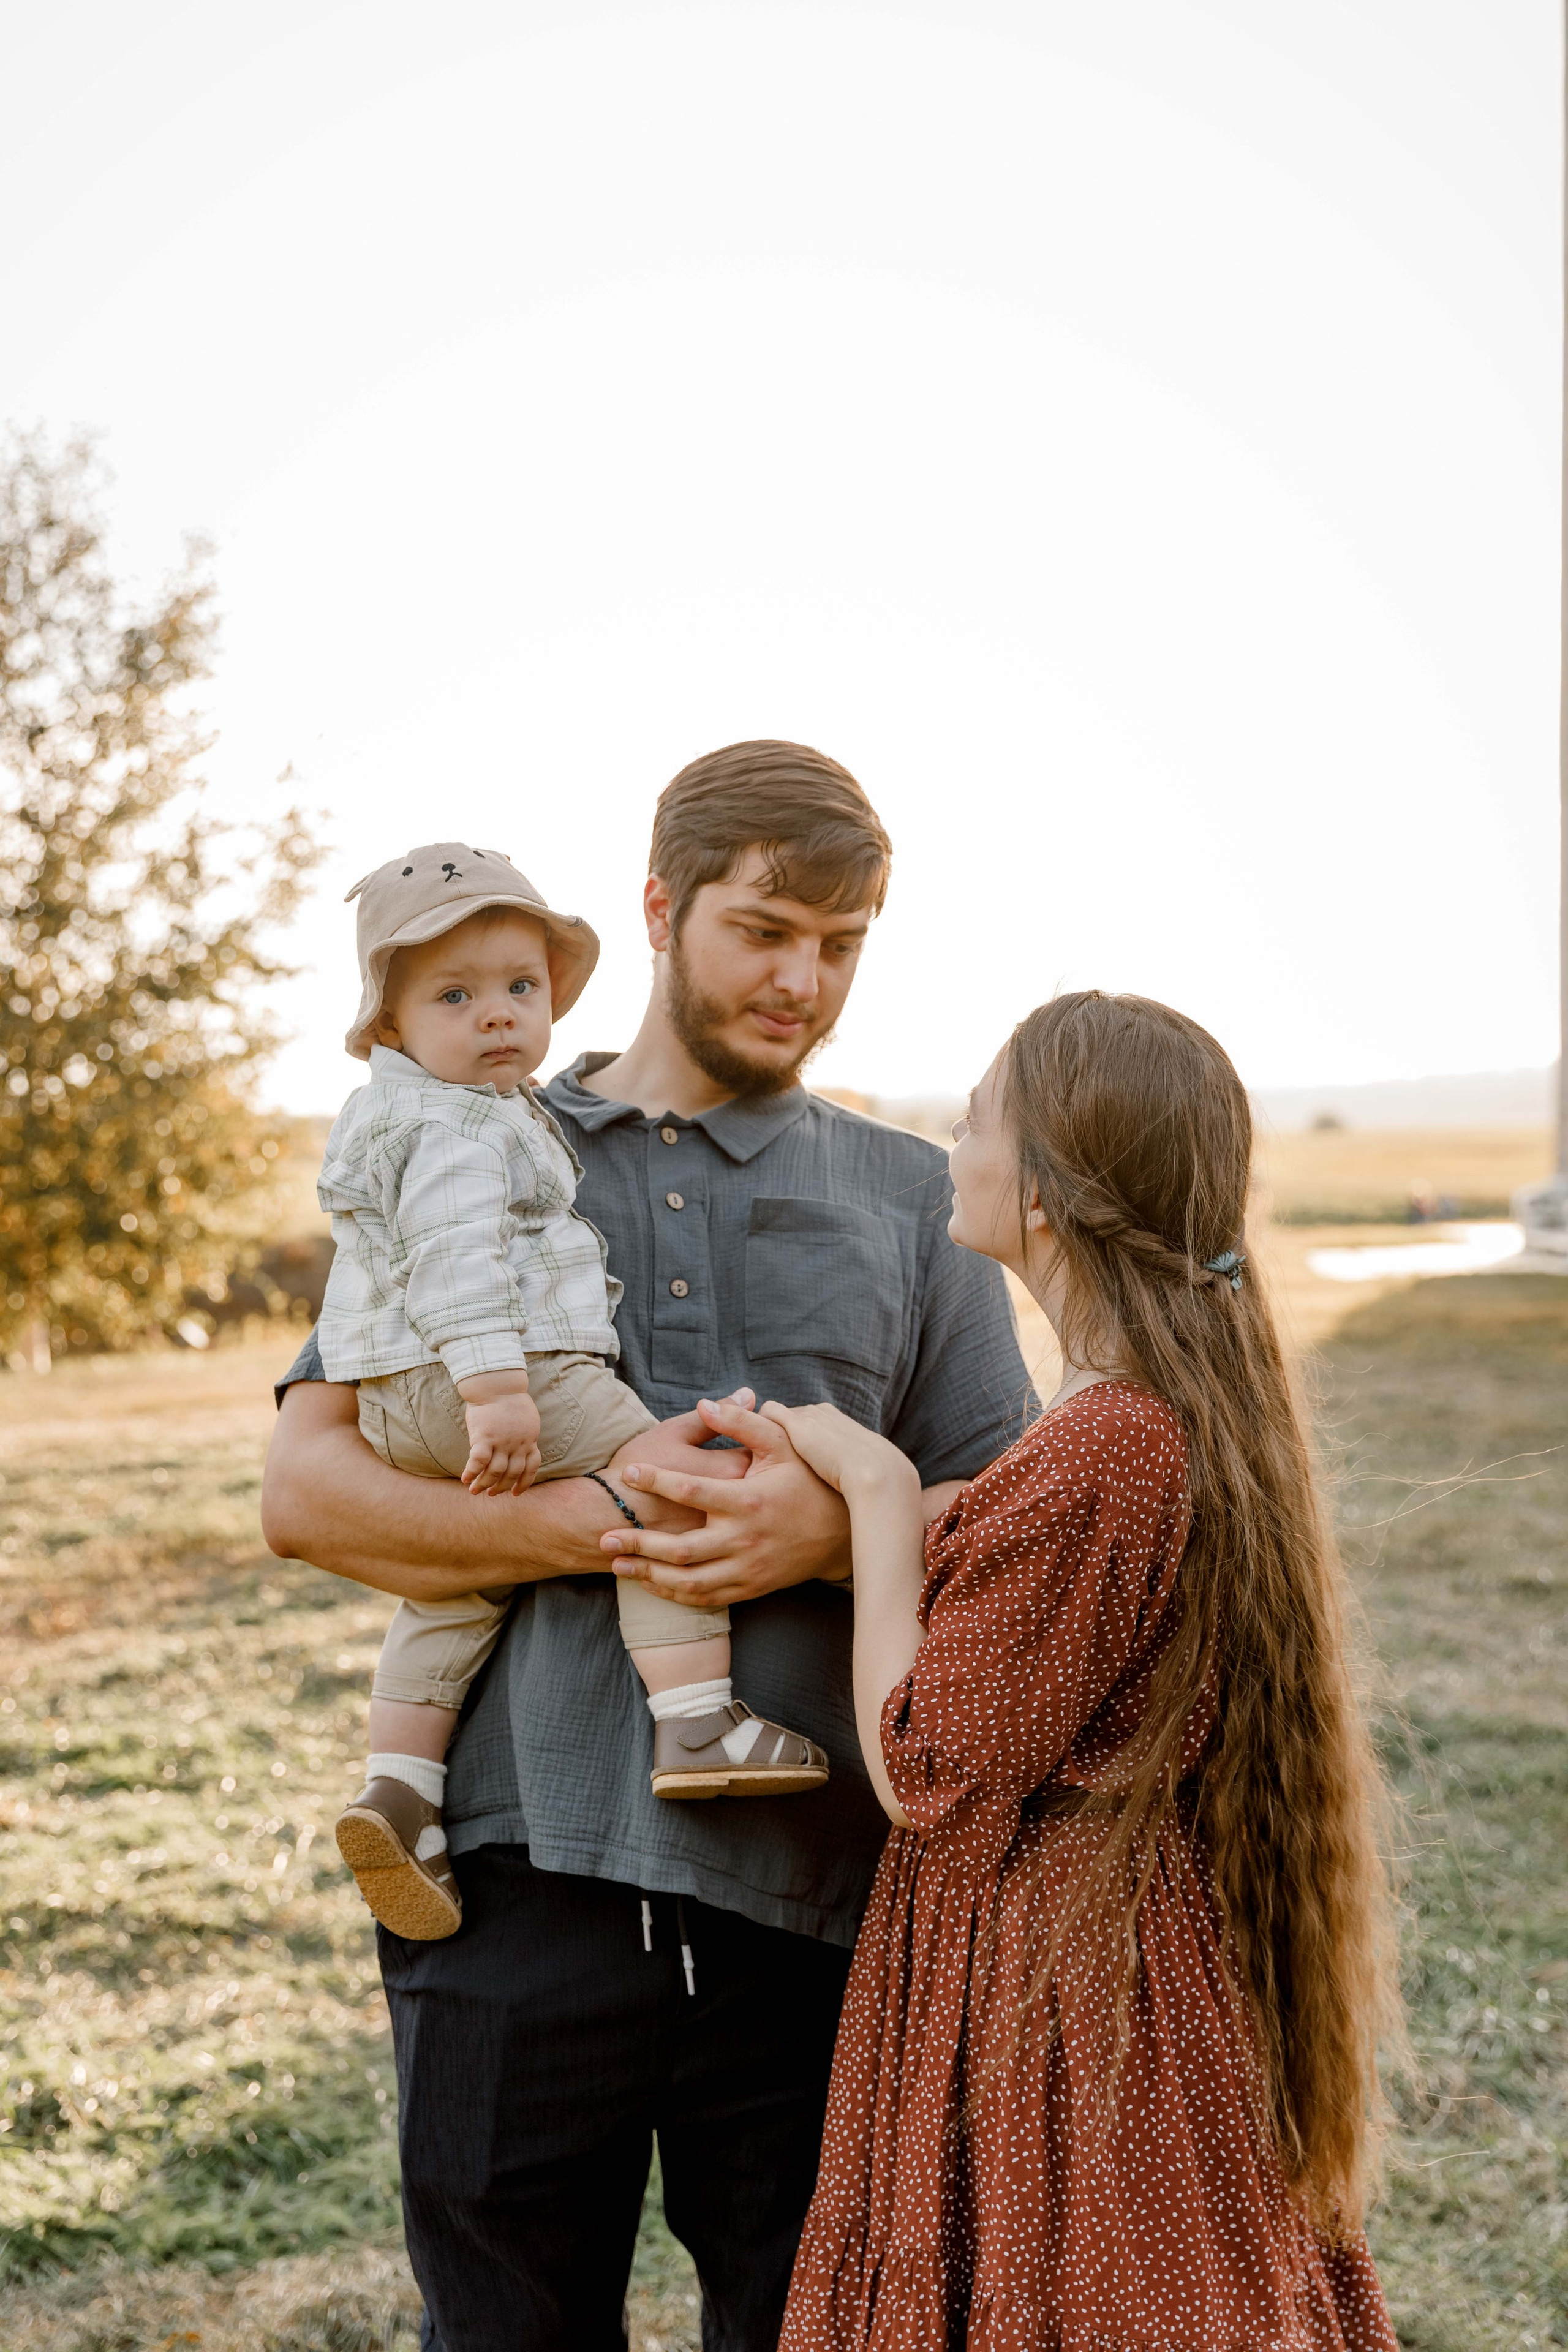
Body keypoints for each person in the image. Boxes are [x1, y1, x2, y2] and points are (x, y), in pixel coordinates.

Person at [259, 740, 1036, 2352]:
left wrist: (828, 1529)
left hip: (825, 1904)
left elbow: (1020, 1522)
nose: (803, 980)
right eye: (764, 929)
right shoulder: (462, 1134)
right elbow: (308, 1491)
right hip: (510, 1883)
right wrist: (601, 1519)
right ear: (661, 910)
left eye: (843, 944)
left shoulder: (913, 1195)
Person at [692, 989, 1397, 2351]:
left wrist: (882, 1488)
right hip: (1084, 1947)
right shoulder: (1122, 1414)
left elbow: (927, 1766)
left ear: (1051, 1186)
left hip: (1065, 1990)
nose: (951, 1140)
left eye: (976, 1117)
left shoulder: (1107, 1443)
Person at [320, 843, 829, 1944]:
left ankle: (400, 1787)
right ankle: (694, 1720)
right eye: (455, 996)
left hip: (398, 1400)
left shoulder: (400, 1112)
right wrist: (500, 1392)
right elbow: (458, 1255)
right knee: (674, 1487)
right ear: (394, 1027)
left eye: (521, 989)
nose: (498, 1017)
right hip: (501, 1375)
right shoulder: (460, 1125)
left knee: (456, 1587)